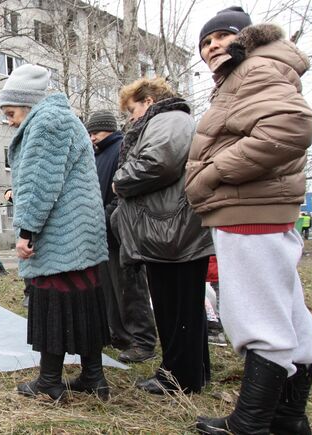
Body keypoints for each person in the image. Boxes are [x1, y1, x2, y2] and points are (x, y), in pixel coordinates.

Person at [187, 7, 312, 434]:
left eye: (221, 37)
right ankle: (288, 417)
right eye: (205, 42)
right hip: (259, 207)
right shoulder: (249, 73)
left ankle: (250, 424)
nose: (211, 47)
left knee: (257, 317)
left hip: (248, 210)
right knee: (289, 316)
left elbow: (290, 126)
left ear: (245, 38)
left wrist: (212, 174)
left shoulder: (254, 69)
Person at [0, 64, 111, 401]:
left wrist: (27, 231)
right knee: (82, 303)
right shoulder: (64, 119)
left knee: (52, 303)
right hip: (80, 232)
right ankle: (94, 377)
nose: (9, 120)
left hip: (60, 233)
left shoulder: (46, 123)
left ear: (27, 103)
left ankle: (49, 383)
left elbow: (39, 183)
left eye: (11, 112)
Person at [111, 77, 214, 395]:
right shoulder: (172, 120)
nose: (131, 118)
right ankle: (193, 372)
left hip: (172, 229)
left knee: (175, 306)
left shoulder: (169, 120)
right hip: (168, 227)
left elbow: (157, 163)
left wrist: (120, 181)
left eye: (132, 109)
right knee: (180, 305)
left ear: (149, 101)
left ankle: (178, 377)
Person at [86, 110, 157, 364]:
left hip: (121, 231)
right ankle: (119, 335)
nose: (92, 137)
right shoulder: (97, 155)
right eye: (90, 133)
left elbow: (121, 191)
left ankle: (142, 341)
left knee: (130, 289)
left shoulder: (120, 149)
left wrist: (106, 216)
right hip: (103, 234)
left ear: (109, 129)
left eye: (96, 132)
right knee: (109, 289)